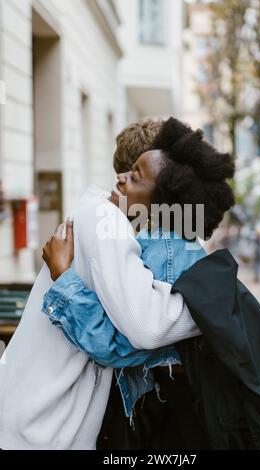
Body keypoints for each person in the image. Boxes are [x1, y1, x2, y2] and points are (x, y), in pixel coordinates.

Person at [0, 119, 203, 450]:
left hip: (41, 424)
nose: (120, 182)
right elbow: (144, 330)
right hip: (40, 429)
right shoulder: (106, 219)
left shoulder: (112, 223)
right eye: (132, 173)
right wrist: (198, 309)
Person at [42, 117, 235, 448]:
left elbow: (118, 347)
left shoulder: (166, 247)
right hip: (169, 404)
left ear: (165, 186)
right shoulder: (167, 237)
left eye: (134, 175)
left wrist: (64, 278)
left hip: (167, 411)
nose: (118, 184)